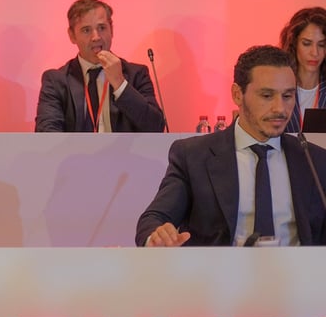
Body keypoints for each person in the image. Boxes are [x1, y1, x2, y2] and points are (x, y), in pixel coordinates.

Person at [136, 45, 326, 247]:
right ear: (237, 94)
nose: (280, 108)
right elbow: (153, 219)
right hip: (218, 267)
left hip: (296, 267)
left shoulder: (315, 160)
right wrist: (158, 236)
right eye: (267, 96)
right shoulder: (194, 156)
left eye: (287, 96)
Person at [34, 0, 165, 132]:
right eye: (86, 30)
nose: (96, 37)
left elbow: (156, 127)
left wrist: (120, 84)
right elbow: (46, 132)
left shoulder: (136, 74)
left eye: (102, 28)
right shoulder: (56, 81)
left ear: (111, 30)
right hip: (75, 147)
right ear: (72, 35)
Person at [279, 7, 326, 133]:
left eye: (321, 45)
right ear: (294, 44)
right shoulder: (278, 86)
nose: (315, 53)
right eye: (306, 43)